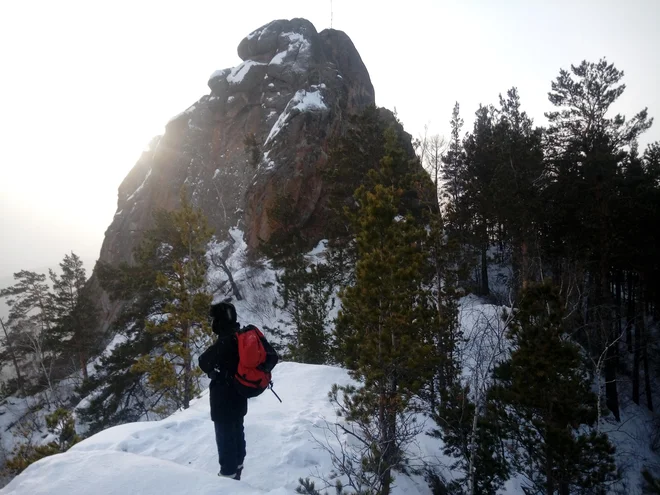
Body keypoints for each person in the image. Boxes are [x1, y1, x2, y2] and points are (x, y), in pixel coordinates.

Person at [199, 300, 247, 480]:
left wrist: (214, 372)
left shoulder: (225, 342)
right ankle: (238, 465)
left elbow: (203, 361)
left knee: (225, 435)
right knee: (237, 429)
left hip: (223, 398)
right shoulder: (240, 336)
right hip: (239, 395)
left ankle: (228, 475)